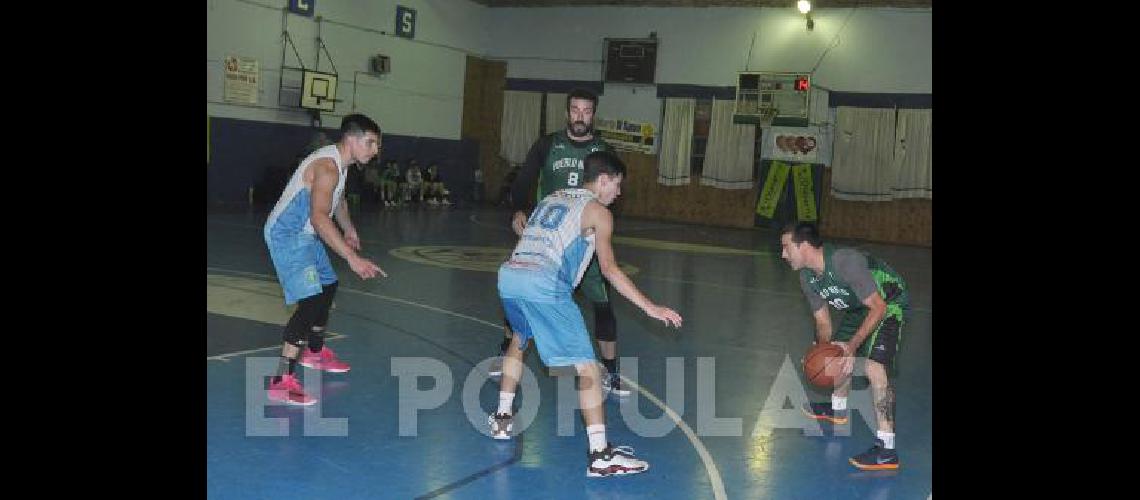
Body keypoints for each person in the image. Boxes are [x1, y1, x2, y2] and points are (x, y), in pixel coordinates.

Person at [489, 151, 682, 477]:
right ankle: (600, 455)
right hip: (544, 284)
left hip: (510, 276)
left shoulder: (553, 197)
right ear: (603, 179)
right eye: (617, 185)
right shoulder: (598, 211)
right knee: (589, 368)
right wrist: (651, 307)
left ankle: (503, 418)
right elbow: (609, 269)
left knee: (520, 340)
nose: (618, 193)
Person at [493, 88, 630, 397]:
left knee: (603, 304)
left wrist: (601, 227)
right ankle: (505, 351)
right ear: (567, 112)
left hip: (584, 239)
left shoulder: (602, 149)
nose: (580, 115)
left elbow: (614, 195)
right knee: (522, 296)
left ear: (593, 114)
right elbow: (524, 179)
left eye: (586, 110)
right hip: (549, 241)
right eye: (575, 109)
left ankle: (611, 371)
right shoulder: (548, 144)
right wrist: (518, 208)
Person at [263, 113, 387, 406]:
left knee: (328, 285)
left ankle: (315, 352)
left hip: (305, 233)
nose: (374, 150)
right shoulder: (328, 167)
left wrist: (348, 228)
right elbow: (319, 217)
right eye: (370, 143)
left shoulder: (341, 164)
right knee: (310, 302)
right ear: (351, 140)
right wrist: (353, 259)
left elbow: (337, 201)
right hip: (288, 234)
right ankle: (281, 380)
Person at [779, 222, 908, 470]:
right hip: (861, 307)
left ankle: (887, 449)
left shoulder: (844, 261)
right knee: (835, 351)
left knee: (873, 367)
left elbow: (878, 307)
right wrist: (819, 351)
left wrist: (852, 346)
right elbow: (823, 322)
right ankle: (837, 410)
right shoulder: (807, 276)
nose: (783, 254)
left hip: (889, 301)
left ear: (803, 246)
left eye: (786, 248)